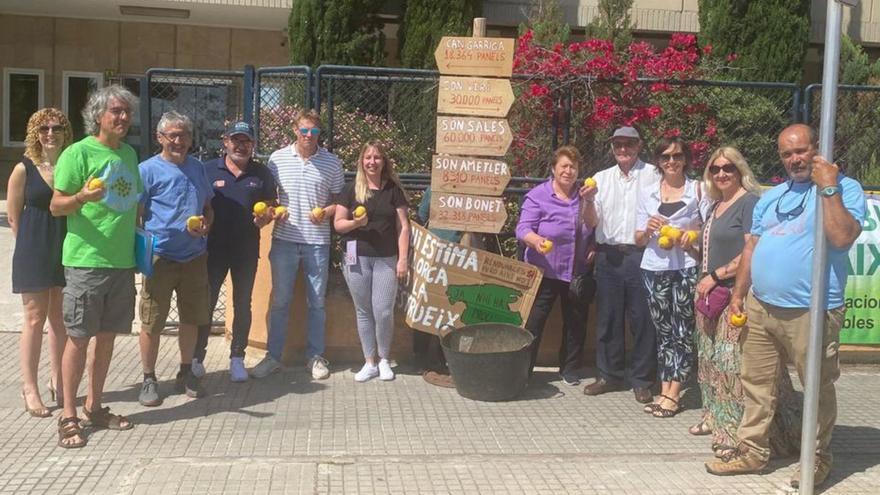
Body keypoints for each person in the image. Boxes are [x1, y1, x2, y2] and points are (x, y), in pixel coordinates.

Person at [705, 124, 866, 489]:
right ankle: (752, 451)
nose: (795, 159)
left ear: (817, 149)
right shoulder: (771, 196)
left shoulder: (845, 189)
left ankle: (817, 459)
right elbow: (751, 248)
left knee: (817, 386)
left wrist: (828, 186)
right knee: (757, 384)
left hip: (812, 310)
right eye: (787, 154)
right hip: (761, 308)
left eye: (801, 151)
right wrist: (738, 295)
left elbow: (842, 237)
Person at [691, 147, 800, 458]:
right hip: (709, 295)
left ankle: (733, 435)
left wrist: (717, 275)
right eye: (715, 169)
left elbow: (753, 250)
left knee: (732, 367)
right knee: (709, 362)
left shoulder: (750, 203)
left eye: (728, 168)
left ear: (740, 170)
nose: (722, 174)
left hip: (735, 295)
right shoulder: (716, 205)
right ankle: (714, 418)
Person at [50, 85, 142, 448]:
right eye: (116, 111)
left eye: (127, 112)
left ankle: (95, 406)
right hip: (87, 262)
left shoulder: (131, 154)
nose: (122, 118)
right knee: (78, 338)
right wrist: (82, 197)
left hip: (122, 262)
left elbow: (132, 203)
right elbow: (57, 206)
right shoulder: (77, 153)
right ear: (98, 115)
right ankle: (68, 414)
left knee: (106, 340)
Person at [251, 109, 344, 380]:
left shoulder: (332, 162)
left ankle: (315, 357)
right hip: (284, 241)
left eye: (314, 131)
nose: (308, 136)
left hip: (318, 243)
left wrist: (326, 213)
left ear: (319, 134)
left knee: (317, 303)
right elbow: (269, 198)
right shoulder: (277, 159)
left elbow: (340, 201)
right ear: (295, 130)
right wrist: (275, 209)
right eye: (304, 130)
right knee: (281, 302)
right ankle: (273, 357)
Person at [136, 111, 214, 406]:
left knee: (191, 318)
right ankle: (148, 378)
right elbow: (136, 215)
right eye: (173, 135)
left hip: (194, 257)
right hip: (160, 257)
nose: (179, 141)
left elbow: (208, 207)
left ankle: (185, 372)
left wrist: (206, 225)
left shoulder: (198, 168)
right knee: (152, 321)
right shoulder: (147, 170)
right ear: (160, 138)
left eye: (184, 135)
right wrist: (141, 251)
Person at [192, 122, 276, 383]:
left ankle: (237, 358)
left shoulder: (261, 173)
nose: (241, 146)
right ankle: (197, 357)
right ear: (225, 142)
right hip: (212, 249)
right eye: (236, 141)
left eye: (246, 141)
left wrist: (265, 218)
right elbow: (198, 203)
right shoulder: (207, 170)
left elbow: (271, 207)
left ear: (253, 145)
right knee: (205, 302)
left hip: (246, 250)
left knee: (243, 303)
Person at [583, 126, 660, 403]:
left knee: (643, 319)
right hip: (609, 255)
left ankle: (642, 379)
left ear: (639, 146)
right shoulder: (599, 179)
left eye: (629, 144)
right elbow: (591, 222)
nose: (623, 150)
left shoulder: (654, 175)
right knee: (608, 318)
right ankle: (609, 375)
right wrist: (588, 202)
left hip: (642, 255)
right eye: (618, 145)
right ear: (612, 147)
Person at [8, 108, 72, 418]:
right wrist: (29, 245)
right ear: (35, 133)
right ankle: (29, 387)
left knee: (60, 318)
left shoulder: (72, 165)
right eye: (44, 128)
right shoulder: (24, 168)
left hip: (65, 247)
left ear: (65, 132)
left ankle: (58, 378)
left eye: (57, 127)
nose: (50, 133)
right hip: (34, 246)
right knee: (34, 318)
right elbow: (13, 215)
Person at [633, 137, 703, 417]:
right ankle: (664, 389)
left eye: (676, 156)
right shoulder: (648, 193)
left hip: (685, 266)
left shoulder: (699, 189)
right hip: (654, 268)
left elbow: (709, 228)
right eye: (665, 157)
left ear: (685, 158)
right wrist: (648, 229)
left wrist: (691, 237)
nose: (671, 162)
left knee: (682, 330)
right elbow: (638, 239)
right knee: (663, 332)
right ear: (658, 162)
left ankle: (674, 393)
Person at [516, 145, 595, 386]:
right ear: (553, 169)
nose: (569, 171)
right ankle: (523, 372)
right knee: (534, 323)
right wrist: (536, 240)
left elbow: (592, 225)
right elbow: (522, 229)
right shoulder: (538, 195)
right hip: (544, 270)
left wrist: (593, 244)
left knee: (575, 322)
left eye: (573, 167)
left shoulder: (583, 196)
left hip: (575, 270)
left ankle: (570, 369)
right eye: (564, 166)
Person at [334, 142, 410, 382]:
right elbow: (338, 224)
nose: (372, 162)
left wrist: (403, 259)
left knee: (384, 310)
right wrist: (356, 224)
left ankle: (385, 359)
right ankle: (369, 362)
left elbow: (403, 227)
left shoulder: (393, 190)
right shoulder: (350, 190)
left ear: (384, 162)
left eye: (377, 157)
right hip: (355, 256)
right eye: (367, 157)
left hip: (386, 258)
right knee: (364, 310)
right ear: (361, 161)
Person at [412, 186, 461, 380]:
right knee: (426, 305)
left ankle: (444, 358)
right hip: (434, 251)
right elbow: (422, 214)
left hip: (462, 256)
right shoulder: (434, 188)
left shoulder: (475, 189)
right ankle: (420, 356)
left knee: (452, 309)